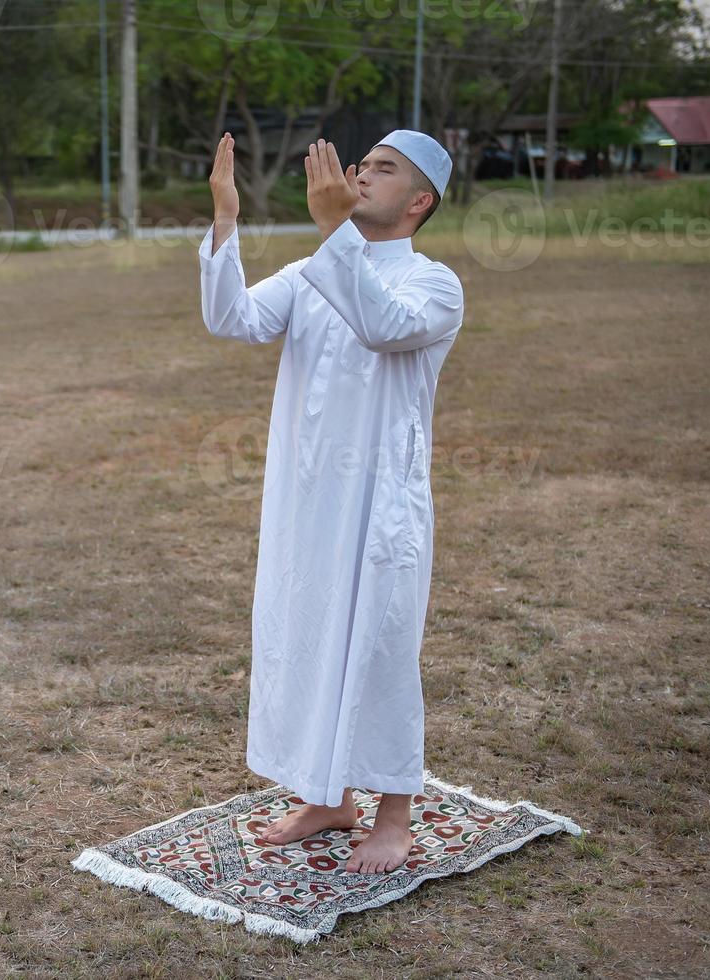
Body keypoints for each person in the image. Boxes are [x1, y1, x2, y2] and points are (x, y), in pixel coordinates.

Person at [198, 130, 464, 875]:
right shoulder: (313, 270)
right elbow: (234, 320)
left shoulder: (433, 285)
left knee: (378, 649)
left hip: (379, 506)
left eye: (381, 170)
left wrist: (331, 230)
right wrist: (225, 218)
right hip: (306, 499)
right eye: (359, 165)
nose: (359, 175)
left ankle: (393, 814)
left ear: (418, 201)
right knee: (306, 633)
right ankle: (327, 796)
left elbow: (381, 326)